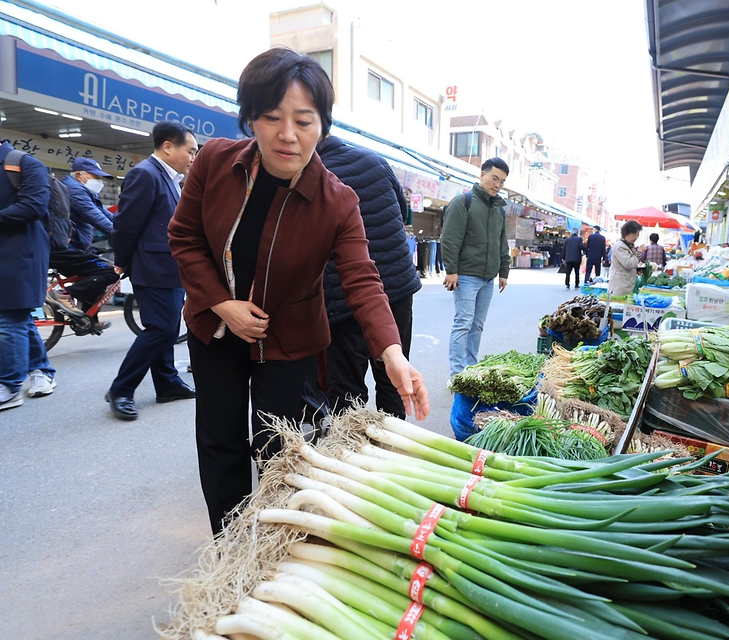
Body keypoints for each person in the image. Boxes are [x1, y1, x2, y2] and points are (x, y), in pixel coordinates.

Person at [168, 47, 429, 535]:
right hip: (216, 329)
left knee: (277, 447)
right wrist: (223, 304)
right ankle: (229, 547)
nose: (287, 135)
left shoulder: (338, 200)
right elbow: (183, 238)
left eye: (304, 120)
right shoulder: (214, 164)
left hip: (288, 340)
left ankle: (270, 542)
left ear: (323, 127)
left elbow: (362, 278)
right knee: (219, 442)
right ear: (250, 118)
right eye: (272, 117)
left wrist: (392, 353)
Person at [316, 129, 422, 418]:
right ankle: (392, 446)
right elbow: (401, 211)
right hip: (396, 287)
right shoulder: (375, 160)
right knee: (393, 373)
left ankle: (351, 450)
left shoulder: (313, 173)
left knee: (346, 387)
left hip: (343, 294)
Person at [107, 121, 199, 421]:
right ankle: (121, 389)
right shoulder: (145, 174)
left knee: (169, 328)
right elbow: (126, 223)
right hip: (152, 267)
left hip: (168, 267)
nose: (193, 158)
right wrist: (121, 261)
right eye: (190, 151)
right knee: (160, 329)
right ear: (168, 146)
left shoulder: (170, 178)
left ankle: (168, 383)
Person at [441, 157, 510, 379]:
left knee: (477, 326)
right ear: (482, 175)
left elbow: (502, 242)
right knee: (463, 323)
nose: (497, 184)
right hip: (467, 276)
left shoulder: (499, 209)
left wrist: (503, 272)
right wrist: (451, 270)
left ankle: (470, 370)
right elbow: (450, 238)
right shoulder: (463, 201)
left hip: (488, 278)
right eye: (494, 178)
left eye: (502, 181)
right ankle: (457, 374)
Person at [0, 139, 56, 410]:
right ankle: (42, 371)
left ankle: (9, 386)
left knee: (8, 318)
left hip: (22, 254)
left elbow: (34, 205)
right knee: (19, 317)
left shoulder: (23, 163)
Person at [53, 157, 119, 331]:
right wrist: (123, 236)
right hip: (65, 250)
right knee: (110, 271)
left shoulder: (83, 190)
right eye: (95, 176)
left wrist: (130, 228)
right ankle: (65, 294)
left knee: (97, 274)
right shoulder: (75, 191)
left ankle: (89, 319)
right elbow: (96, 218)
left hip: (73, 247)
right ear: (80, 175)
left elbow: (107, 216)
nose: (99, 180)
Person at [609, 220, 643, 296]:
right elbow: (628, 263)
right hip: (620, 286)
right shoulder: (620, 246)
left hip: (626, 284)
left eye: (637, 235)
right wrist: (639, 252)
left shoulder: (628, 245)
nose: (636, 237)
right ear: (626, 233)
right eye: (634, 235)